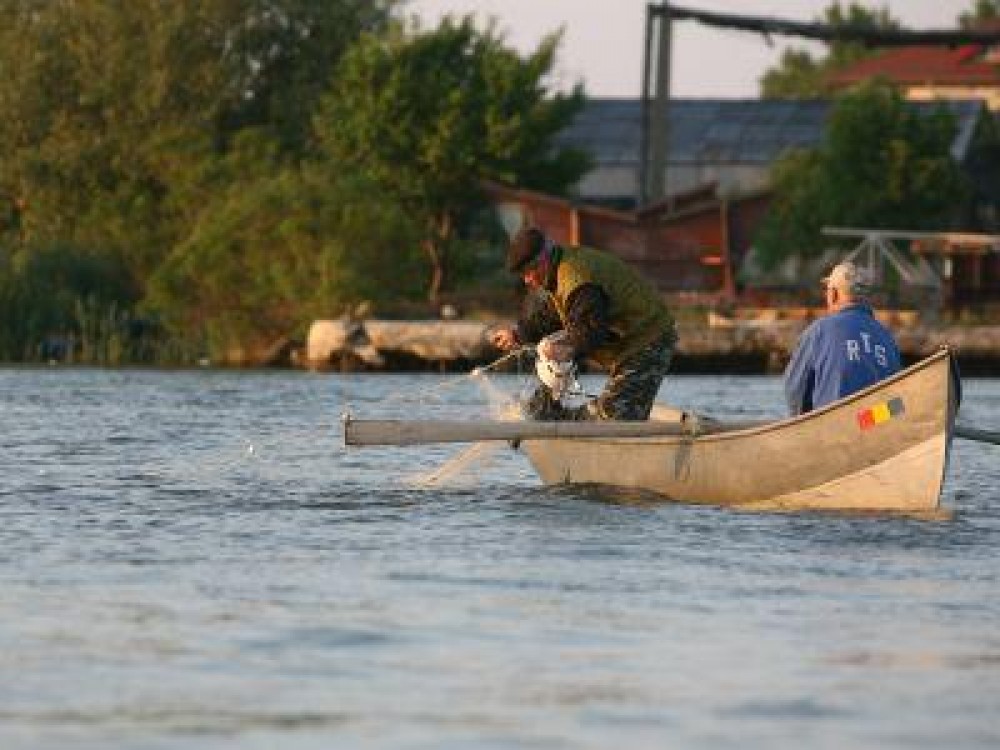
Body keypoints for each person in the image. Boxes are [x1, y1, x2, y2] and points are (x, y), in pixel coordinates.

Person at [491, 227, 677, 421]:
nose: (527, 280)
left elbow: (591, 333)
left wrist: (565, 349)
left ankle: (563, 422)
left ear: (543, 260)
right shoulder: (561, 269)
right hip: (628, 343)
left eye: (529, 272)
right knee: (553, 350)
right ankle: (549, 413)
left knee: (616, 419)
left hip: (649, 341)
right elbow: (553, 315)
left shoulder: (576, 278)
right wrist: (518, 334)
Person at [784, 260, 902, 416]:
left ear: (833, 294)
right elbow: (897, 404)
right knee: (871, 418)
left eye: (827, 290)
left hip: (834, 426)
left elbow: (794, 390)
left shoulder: (819, 331)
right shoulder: (887, 336)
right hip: (876, 421)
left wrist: (802, 427)